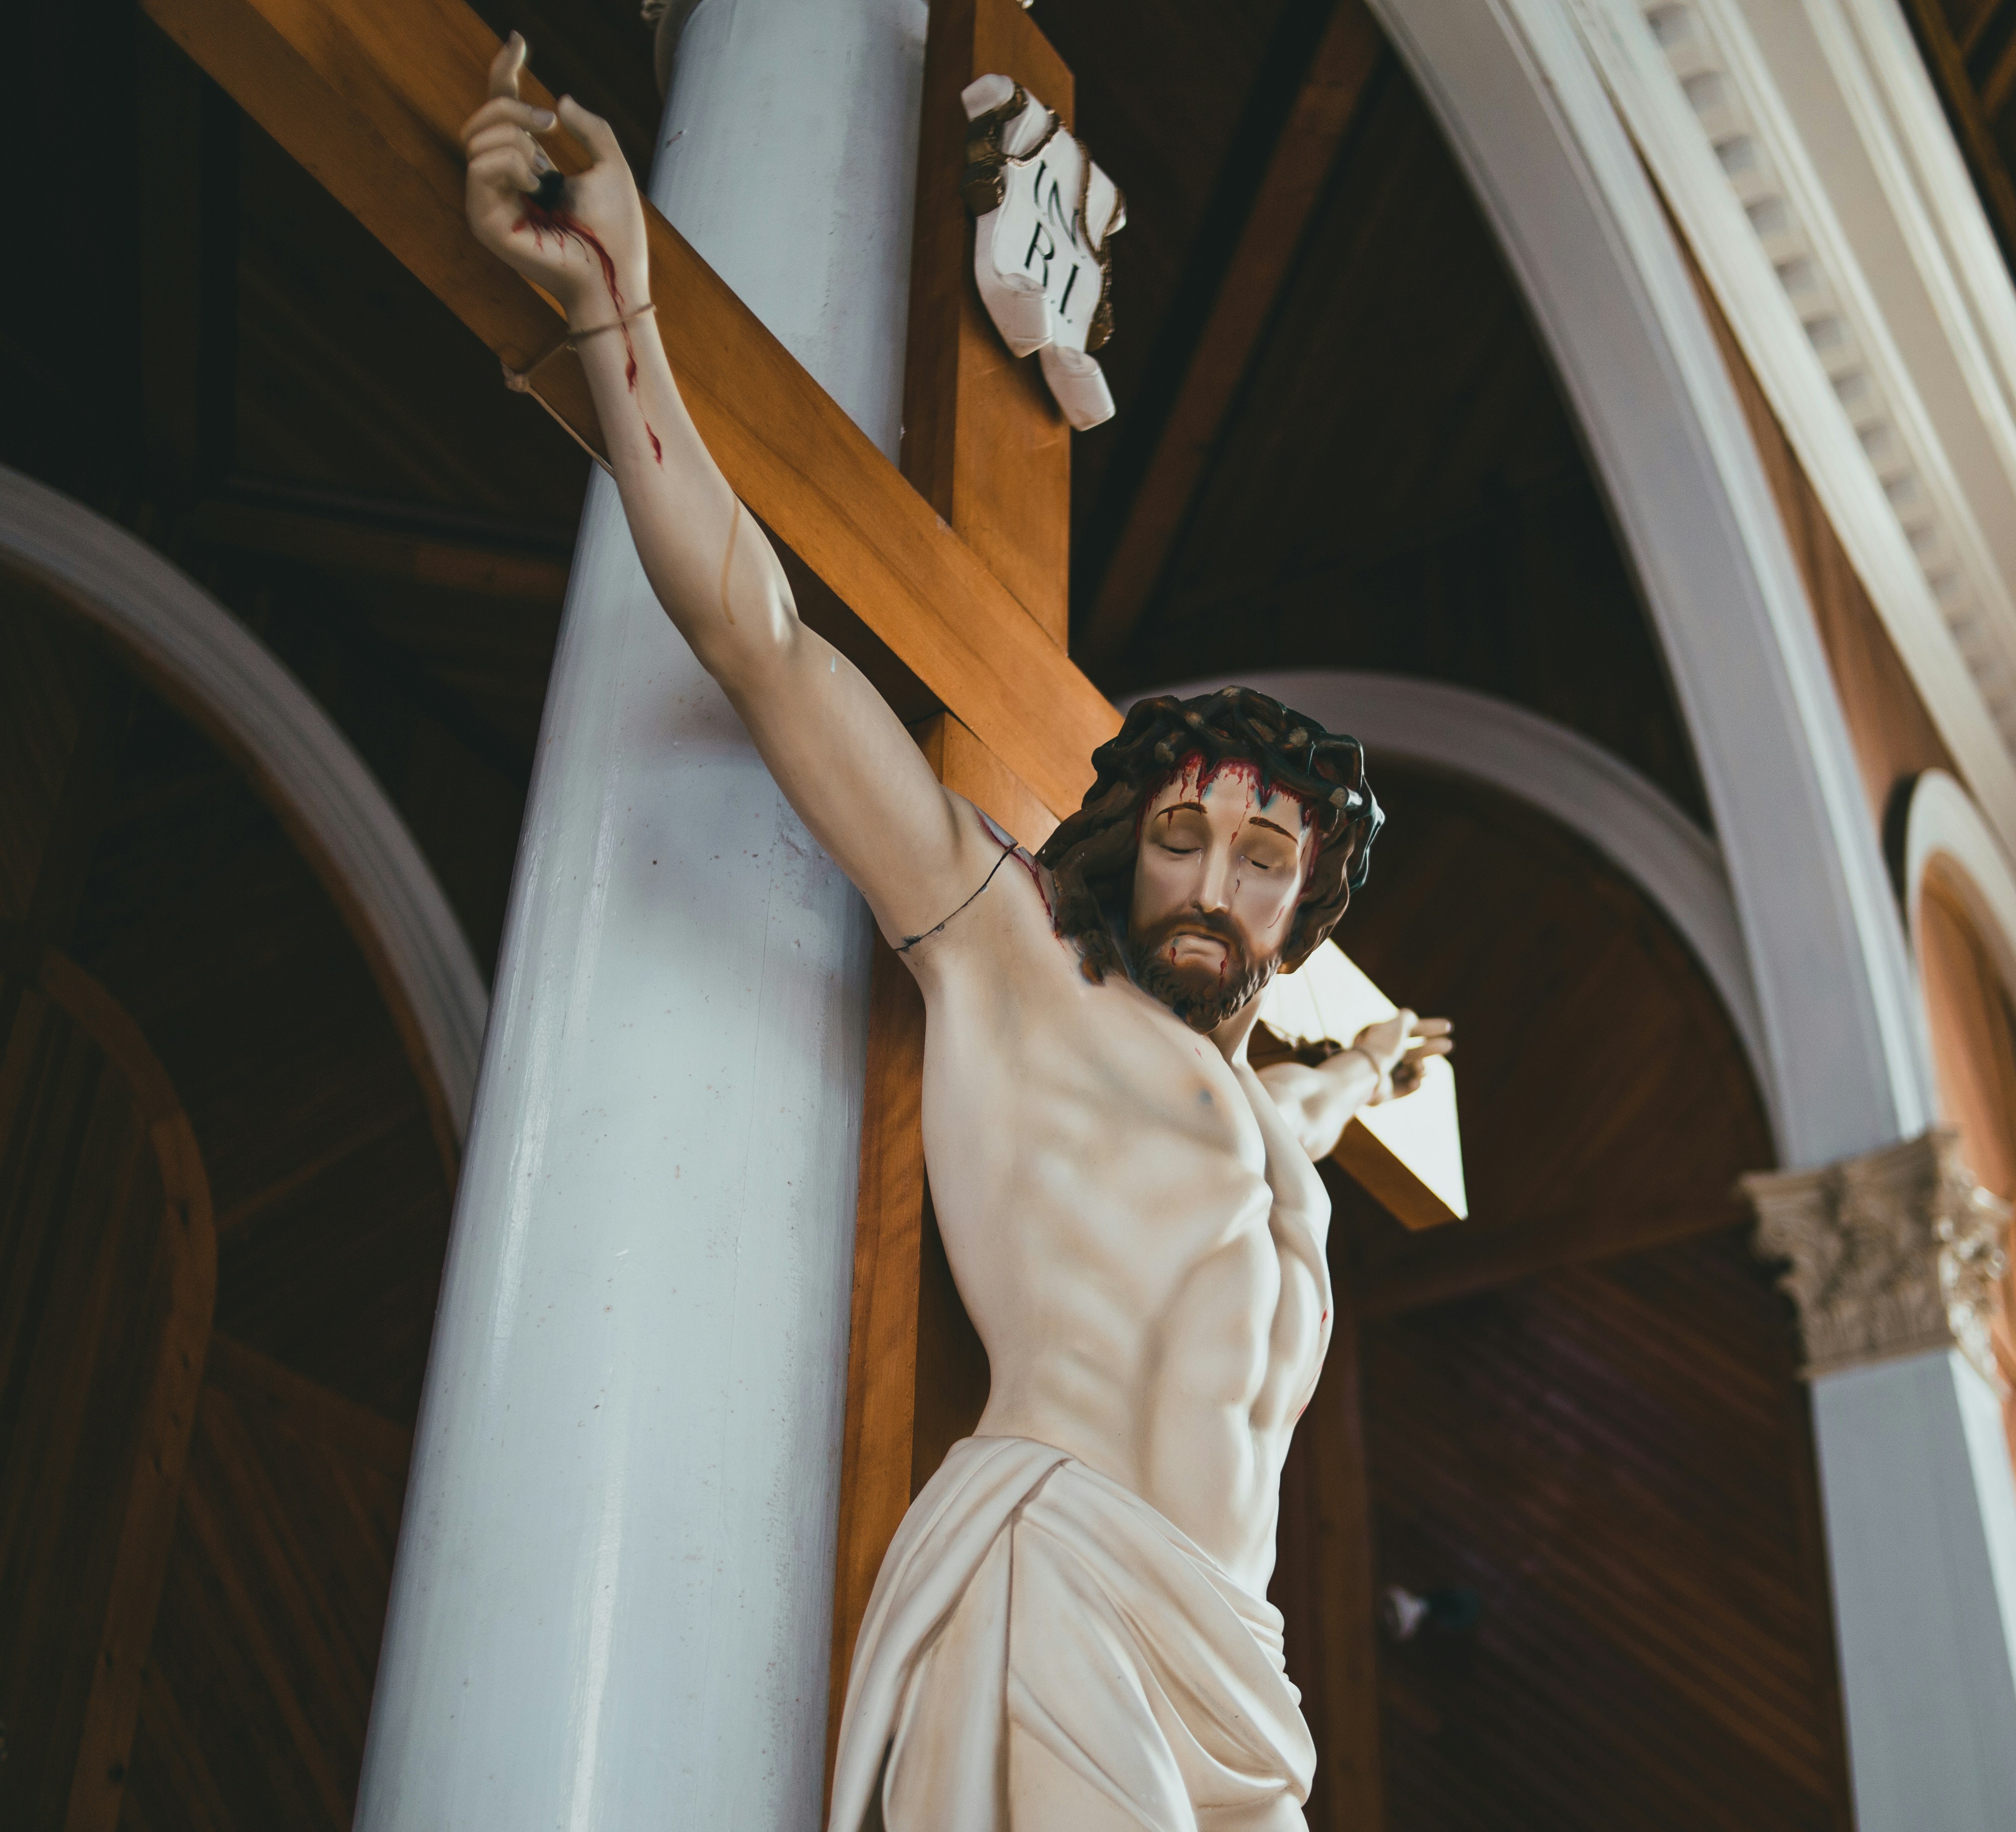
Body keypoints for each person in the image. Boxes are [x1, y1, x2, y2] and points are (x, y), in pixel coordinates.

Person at [462, 37, 1449, 1831]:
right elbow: (762, 640)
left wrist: (1370, 1067)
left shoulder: (1279, 1132)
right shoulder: (1013, 953)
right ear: (1127, 847)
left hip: (1240, 1670)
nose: (1213, 881)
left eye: (1262, 859)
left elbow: (1307, 1111)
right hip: (1059, 1584)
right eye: (1181, 834)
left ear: (1301, 911)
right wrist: (618, 310)